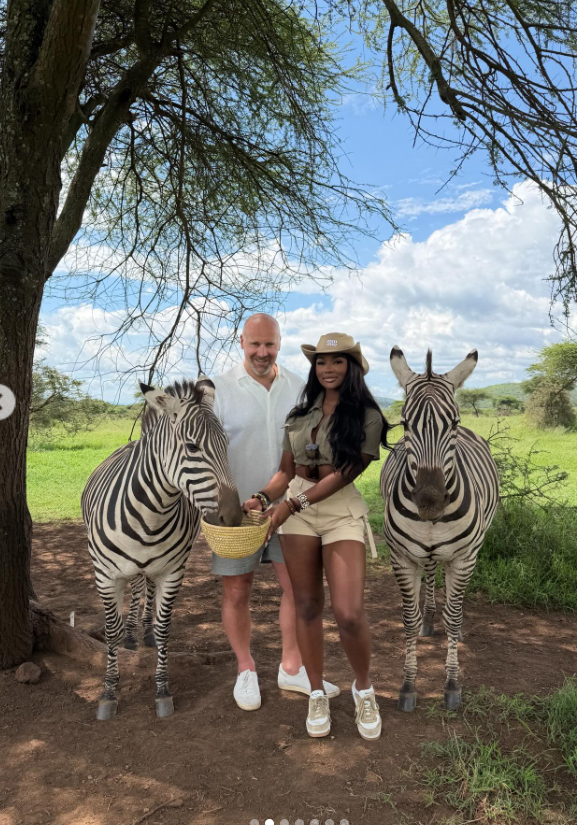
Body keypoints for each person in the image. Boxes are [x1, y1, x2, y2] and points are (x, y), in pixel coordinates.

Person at [243, 332, 389, 739]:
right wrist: (261, 497)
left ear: (351, 367)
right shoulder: (300, 414)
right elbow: (285, 473)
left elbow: (345, 475)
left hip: (337, 511)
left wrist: (290, 506)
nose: (328, 369)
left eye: (337, 361)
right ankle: (316, 692)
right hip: (297, 512)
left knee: (348, 612)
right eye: (321, 362)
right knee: (306, 606)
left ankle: (364, 689)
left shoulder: (367, 416)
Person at [211, 314, 339, 711]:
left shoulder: (300, 390)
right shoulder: (216, 390)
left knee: (298, 591)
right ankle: (246, 669)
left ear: (280, 343)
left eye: (270, 344)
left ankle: (291, 667)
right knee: (236, 590)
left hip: (290, 509)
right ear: (241, 342)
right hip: (236, 514)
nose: (262, 353)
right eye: (255, 344)